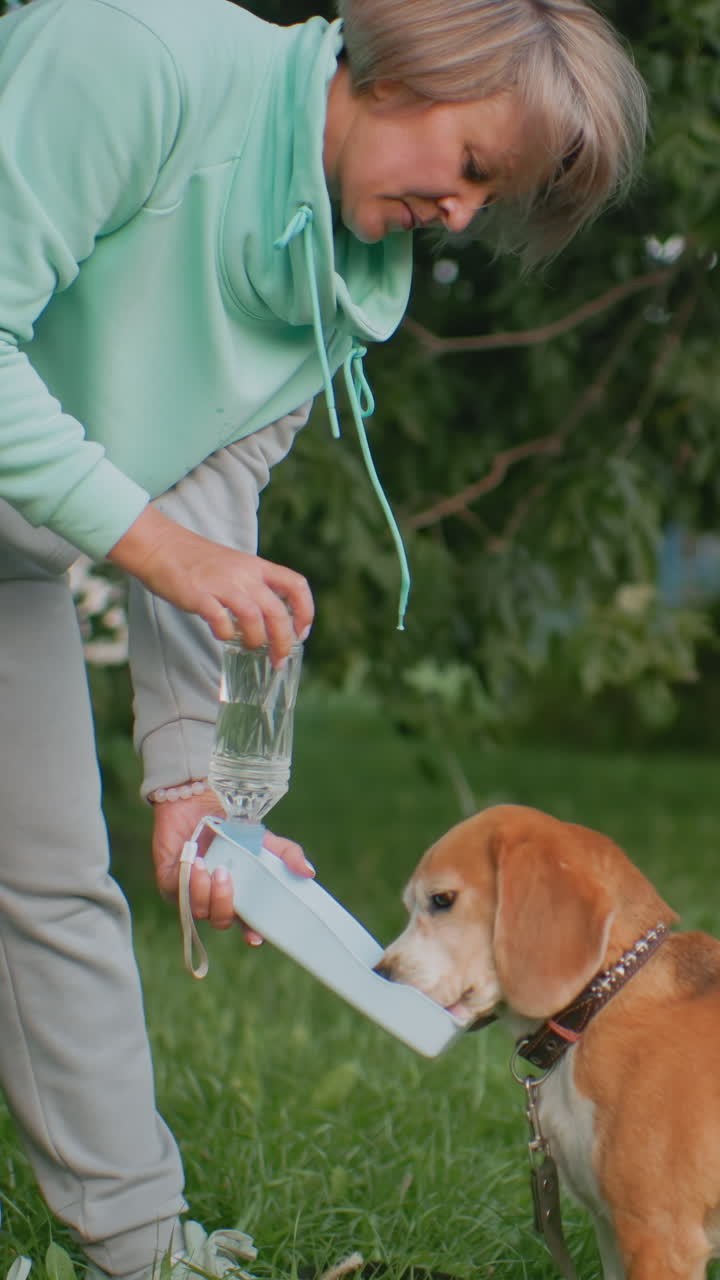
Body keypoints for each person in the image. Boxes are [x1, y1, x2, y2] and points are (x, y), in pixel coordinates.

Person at [0, 0, 646, 1275]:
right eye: (470, 166)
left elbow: (203, 503)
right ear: (411, 64)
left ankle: (140, 1247)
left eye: (491, 196)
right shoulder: (131, 58)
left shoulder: (343, 282)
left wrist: (192, 778)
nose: (462, 213)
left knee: (54, 882)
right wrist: (161, 545)